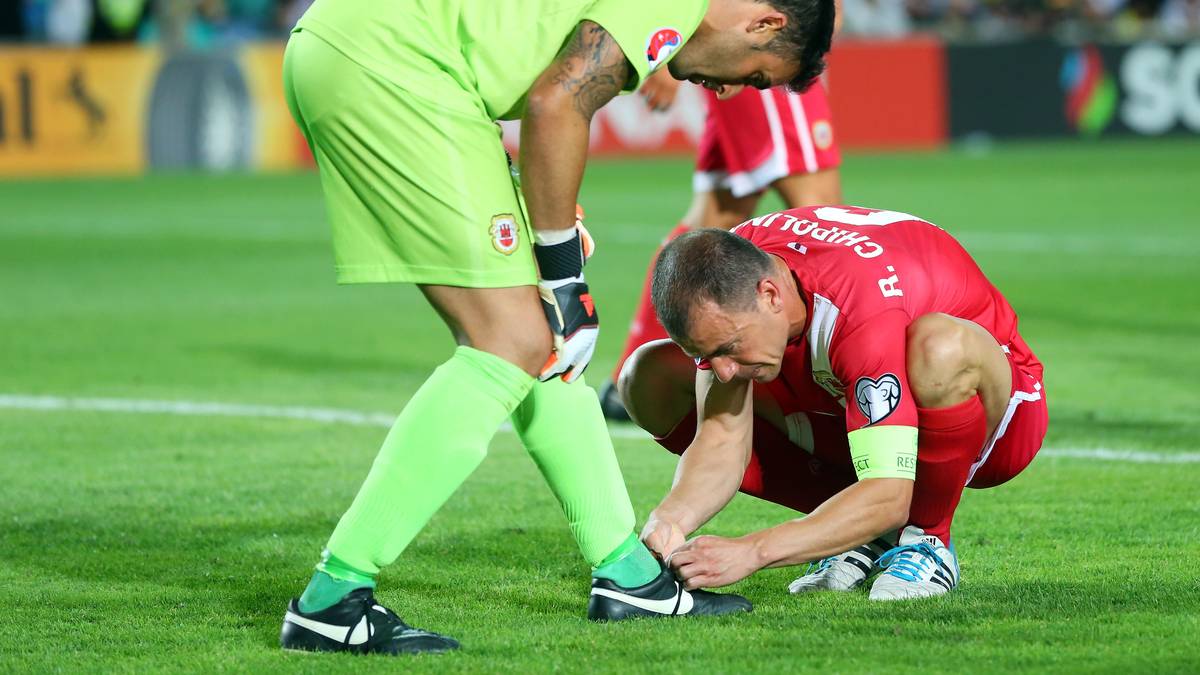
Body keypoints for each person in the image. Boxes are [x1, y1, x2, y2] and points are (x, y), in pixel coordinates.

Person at [278, 0, 836, 656]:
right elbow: (556, 103)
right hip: (396, 63)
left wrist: (551, 232)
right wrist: (565, 277)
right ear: (765, 23)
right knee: (512, 338)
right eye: (757, 76)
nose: (731, 90)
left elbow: (547, 91)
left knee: (541, 341)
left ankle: (627, 573)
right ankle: (333, 598)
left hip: (383, 54)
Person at [619, 206, 1047, 601]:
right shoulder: (734, 272)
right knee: (648, 375)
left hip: (998, 416)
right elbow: (720, 440)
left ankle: (927, 538)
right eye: (706, 354)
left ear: (771, 296)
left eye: (729, 347)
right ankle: (859, 531)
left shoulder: (858, 308)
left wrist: (754, 551)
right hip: (852, 391)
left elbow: (890, 493)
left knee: (940, 348)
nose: (724, 371)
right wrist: (668, 520)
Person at [598, 49, 843, 420]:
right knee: (820, 218)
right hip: (768, 54)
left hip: (762, 48)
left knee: (712, 218)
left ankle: (631, 379)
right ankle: (827, 378)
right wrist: (666, 56)